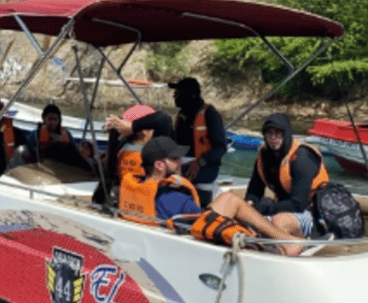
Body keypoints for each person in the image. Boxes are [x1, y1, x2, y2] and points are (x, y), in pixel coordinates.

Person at [118, 136, 303, 256]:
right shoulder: (175, 196)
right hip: (187, 248)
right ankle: (286, 242)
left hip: (153, 242)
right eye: (175, 159)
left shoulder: (134, 188)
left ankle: (282, 237)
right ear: (159, 165)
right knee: (230, 199)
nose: (181, 162)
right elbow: (202, 223)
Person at [244, 112, 330, 237]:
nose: (273, 137)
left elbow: (298, 204)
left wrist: (264, 208)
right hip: (282, 206)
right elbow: (254, 190)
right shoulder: (264, 155)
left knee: (279, 222)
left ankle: (294, 246)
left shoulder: (302, 158)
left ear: (286, 134)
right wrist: (250, 202)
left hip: (311, 213)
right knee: (242, 212)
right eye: (269, 133)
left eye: (278, 133)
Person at [168, 77, 227, 207]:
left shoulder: (210, 114)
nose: (174, 95)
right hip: (185, 162)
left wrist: (199, 162)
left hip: (206, 165)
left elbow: (221, 148)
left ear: (189, 94)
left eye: (177, 92)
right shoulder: (182, 115)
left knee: (168, 177)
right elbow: (180, 145)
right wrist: (172, 161)